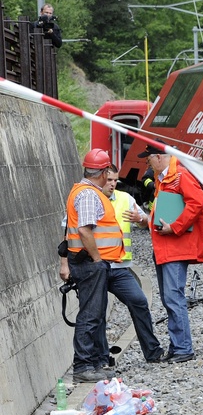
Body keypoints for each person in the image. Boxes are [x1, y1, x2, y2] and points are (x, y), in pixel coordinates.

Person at [61, 149, 125, 382]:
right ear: (105, 171)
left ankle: (95, 363)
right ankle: (83, 366)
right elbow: (84, 230)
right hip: (90, 263)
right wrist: (98, 259)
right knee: (89, 315)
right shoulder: (89, 194)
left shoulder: (84, 191)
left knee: (95, 314)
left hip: (88, 262)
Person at [142, 145, 203, 363]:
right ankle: (178, 346)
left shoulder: (179, 175)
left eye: (148, 159)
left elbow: (198, 201)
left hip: (175, 248)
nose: (147, 164)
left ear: (158, 157)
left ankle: (182, 348)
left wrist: (176, 227)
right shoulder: (166, 177)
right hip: (166, 247)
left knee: (173, 297)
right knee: (169, 297)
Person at [106, 177, 165, 363]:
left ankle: (153, 352)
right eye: (108, 179)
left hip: (120, 269)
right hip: (96, 268)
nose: (112, 183)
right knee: (96, 313)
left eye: (114, 180)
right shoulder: (90, 198)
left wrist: (141, 219)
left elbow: (145, 221)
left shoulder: (125, 198)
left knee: (139, 301)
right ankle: (99, 358)